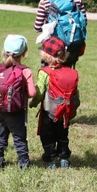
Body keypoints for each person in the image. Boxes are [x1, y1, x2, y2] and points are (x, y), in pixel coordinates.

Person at [30, 37, 80, 169]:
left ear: (46, 56)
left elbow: (39, 92)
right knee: (63, 134)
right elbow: (75, 94)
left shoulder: (45, 73)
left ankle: (50, 159)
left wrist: (33, 103)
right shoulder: (71, 72)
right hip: (65, 112)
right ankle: (64, 158)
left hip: (49, 111)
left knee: (47, 135)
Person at [0, 34, 36, 169]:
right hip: (16, 111)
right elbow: (32, 93)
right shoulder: (25, 71)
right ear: (24, 52)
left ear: (4, 50)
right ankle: (23, 163)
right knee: (19, 137)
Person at [33, 0, 87, 68]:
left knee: (48, 74)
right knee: (67, 74)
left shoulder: (45, 1)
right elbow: (84, 21)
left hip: (52, 47)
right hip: (73, 44)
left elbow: (37, 27)